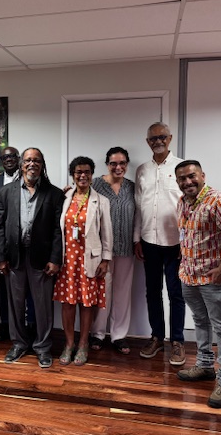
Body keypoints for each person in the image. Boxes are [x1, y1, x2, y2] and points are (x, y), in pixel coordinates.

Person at [174, 160, 221, 409]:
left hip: (214, 279)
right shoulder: (183, 202)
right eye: (182, 179)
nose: (187, 182)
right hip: (189, 276)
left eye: (191, 176)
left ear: (202, 175)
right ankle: (205, 365)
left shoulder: (219, 201)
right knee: (200, 321)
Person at [0, 148, 64, 369]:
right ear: (21, 164)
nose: (32, 164)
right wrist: (0, 257)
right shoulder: (6, 192)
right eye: (28, 160)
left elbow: (58, 230)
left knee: (43, 306)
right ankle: (19, 344)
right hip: (14, 257)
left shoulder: (54, 194)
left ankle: (43, 347)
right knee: (15, 304)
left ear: (42, 165)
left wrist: (55, 259)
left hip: (42, 260)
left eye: (36, 160)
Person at [134, 122, 187, 365]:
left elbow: (189, 205)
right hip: (149, 241)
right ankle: (157, 337)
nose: (158, 141)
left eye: (162, 137)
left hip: (176, 243)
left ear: (170, 138)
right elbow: (138, 207)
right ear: (148, 142)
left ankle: (177, 341)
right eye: (153, 138)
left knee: (176, 293)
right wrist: (137, 238)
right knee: (152, 292)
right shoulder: (142, 170)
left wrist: (187, 242)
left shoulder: (182, 167)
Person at [54, 156, 112, 366]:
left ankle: (83, 343)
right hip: (67, 261)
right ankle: (69, 344)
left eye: (87, 172)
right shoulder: (64, 198)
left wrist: (105, 260)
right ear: (73, 174)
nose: (83, 176)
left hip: (90, 260)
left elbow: (107, 234)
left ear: (92, 174)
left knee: (87, 304)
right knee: (68, 304)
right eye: (78, 172)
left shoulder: (101, 201)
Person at [89, 147, 135, 355]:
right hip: (101, 251)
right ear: (107, 164)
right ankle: (98, 333)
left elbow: (139, 214)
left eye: (122, 163)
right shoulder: (95, 185)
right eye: (113, 163)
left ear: (127, 164)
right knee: (102, 291)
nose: (118, 167)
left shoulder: (132, 187)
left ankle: (119, 335)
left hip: (126, 248)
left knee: (123, 292)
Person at [0, 146, 35, 342]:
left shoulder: (30, 178)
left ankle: (31, 324)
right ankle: (6, 324)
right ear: (1, 161)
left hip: (27, 243)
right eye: (5, 157)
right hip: (6, 243)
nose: (9, 159)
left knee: (30, 288)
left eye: (12, 156)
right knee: (5, 288)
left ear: (19, 159)